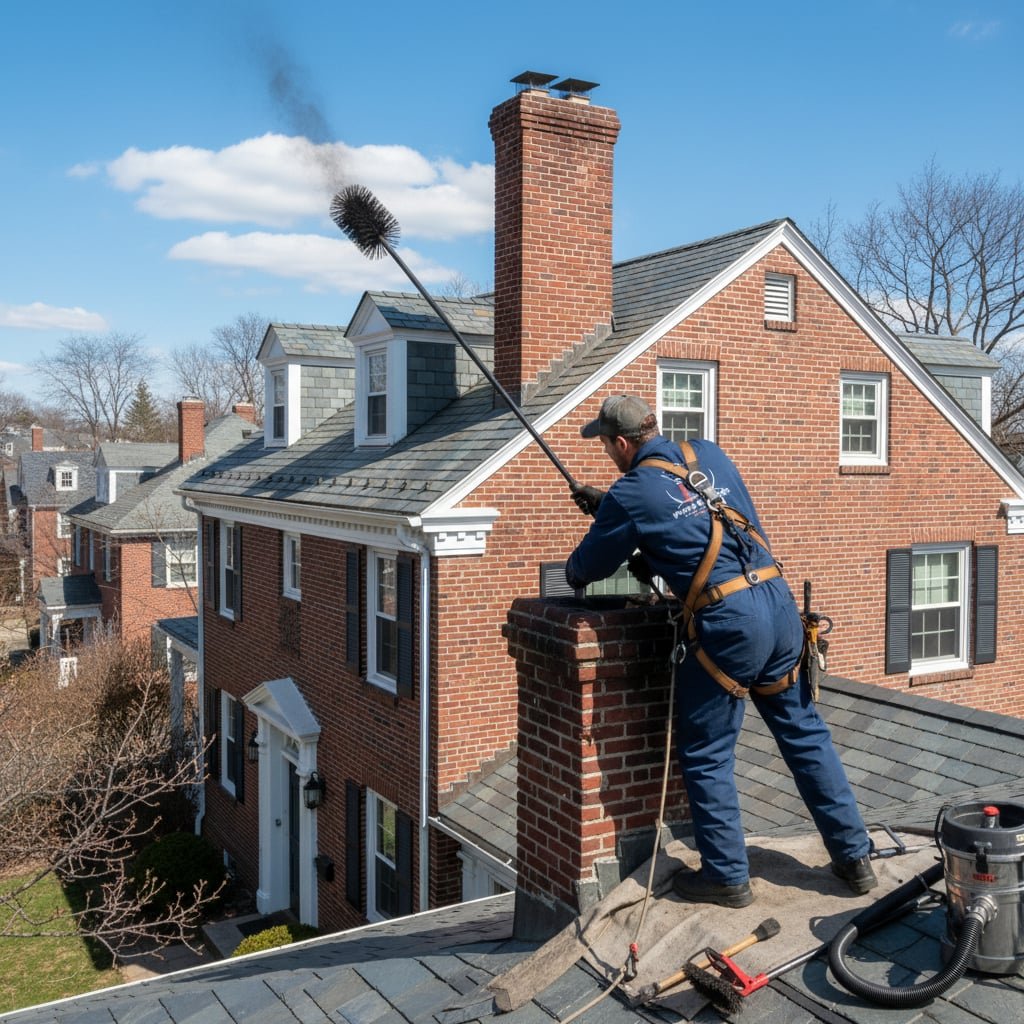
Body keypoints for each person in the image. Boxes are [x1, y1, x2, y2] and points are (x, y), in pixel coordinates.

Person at [566, 394, 876, 909]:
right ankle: (854, 857)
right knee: (805, 735)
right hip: (778, 607)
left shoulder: (631, 491)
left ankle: (727, 877)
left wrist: (606, 520)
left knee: (707, 752)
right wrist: (614, 511)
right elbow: (694, 521)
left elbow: (586, 568)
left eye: (605, 446)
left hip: (730, 623)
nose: (607, 455)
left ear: (621, 443)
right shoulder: (706, 453)